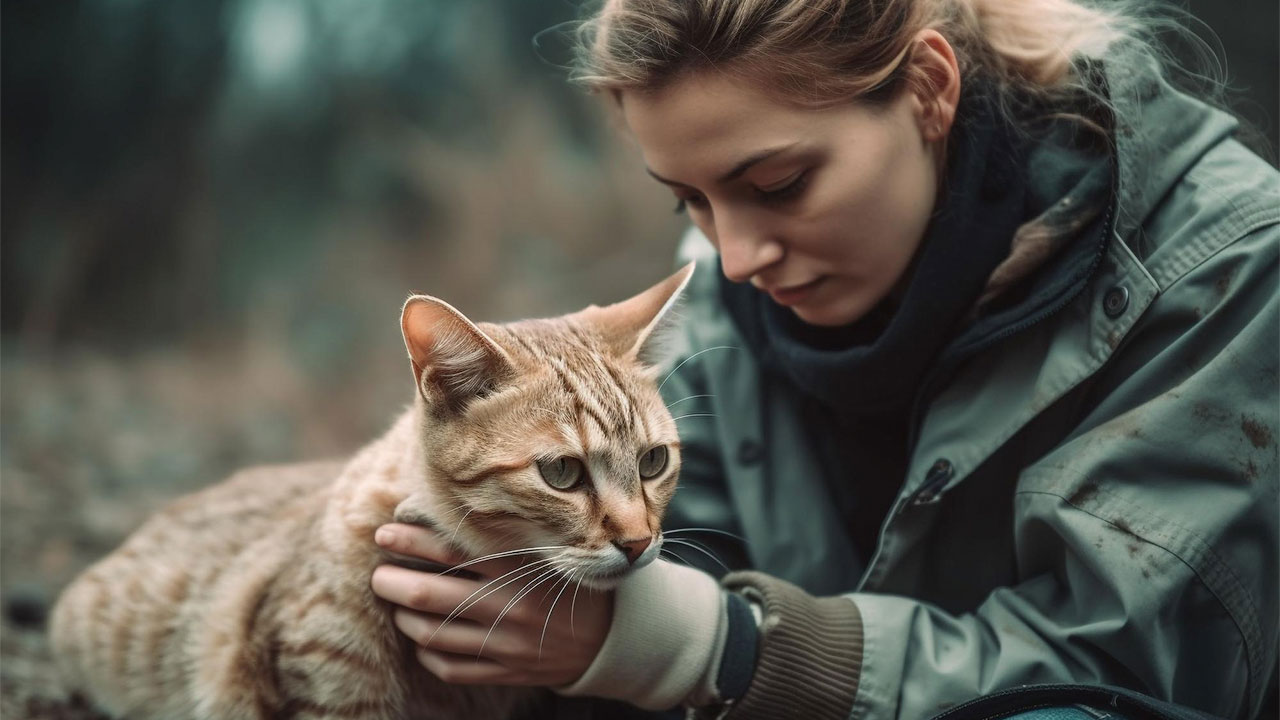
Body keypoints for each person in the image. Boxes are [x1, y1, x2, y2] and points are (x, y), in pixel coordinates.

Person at [369, 0, 1279, 717]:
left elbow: (1124, 681)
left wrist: (720, 649)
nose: (733, 257)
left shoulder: (1229, 270)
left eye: (778, 186)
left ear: (929, 88)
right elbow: (677, 560)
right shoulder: (723, 302)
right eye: (688, 199)